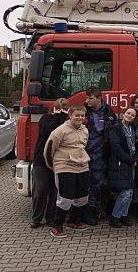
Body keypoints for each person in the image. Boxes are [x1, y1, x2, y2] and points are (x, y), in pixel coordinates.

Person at [44, 104, 90, 238]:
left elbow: (83, 146)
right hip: (64, 166)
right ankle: (57, 226)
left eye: (82, 115)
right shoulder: (60, 131)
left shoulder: (85, 130)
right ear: (70, 115)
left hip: (82, 166)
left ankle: (74, 222)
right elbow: (49, 149)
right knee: (65, 197)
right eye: (77, 115)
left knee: (82, 196)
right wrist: (52, 166)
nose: (80, 118)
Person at [30, 98, 69, 229]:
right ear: (54, 107)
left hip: (58, 160)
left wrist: (63, 115)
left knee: (54, 191)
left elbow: (65, 131)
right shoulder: (45, 119)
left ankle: (51, 218)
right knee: (40, 190)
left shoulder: (66, 120)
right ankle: (36, 218)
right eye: (59, 108)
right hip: (41, 160)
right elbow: (49, 131)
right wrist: (59, 115)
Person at [84, 87, 117, 225]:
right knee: (84, 183)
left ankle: (93, 211)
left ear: (98, 99)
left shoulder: (109, 113)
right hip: (84, 154)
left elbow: (115, 132)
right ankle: (82, 212)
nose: (87, 101)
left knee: (97, 184)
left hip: (100, 155)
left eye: (90, 98)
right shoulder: (84, 112)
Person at [107, 108, 138, 228]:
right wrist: (130, 160)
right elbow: (116, 147)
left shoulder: (133, 128)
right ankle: (115, 217)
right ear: (123, 114)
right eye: (128, 113)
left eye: (133, 115)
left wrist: (136, 159)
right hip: (121, 163)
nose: (130, 116)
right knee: (125, 191)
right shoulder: (115, 128)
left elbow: (136, 145)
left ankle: (123, 215)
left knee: (130, 192)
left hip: (131, 163)